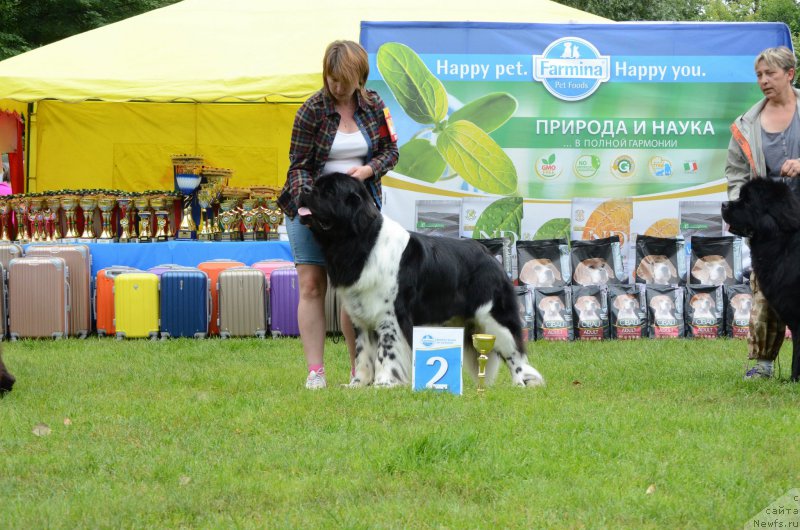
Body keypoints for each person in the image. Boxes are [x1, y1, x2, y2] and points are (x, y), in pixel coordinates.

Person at [277, 40, 399, 389]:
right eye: (332, 79)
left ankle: (359, 370)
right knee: (311, 286)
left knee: (354, 291)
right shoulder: (311, 110)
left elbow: (391, 150)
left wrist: (369, 170)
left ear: (360, 77)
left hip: (358, 214)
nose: (337, 86)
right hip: (311, 208)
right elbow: (298, 166)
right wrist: (311, 204)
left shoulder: (375, 106)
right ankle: (315, 372)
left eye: (344, 80)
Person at [725, 46, 800, 379]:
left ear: (790, 74)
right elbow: (736, 175)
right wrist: (743, 215)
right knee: (767, 290)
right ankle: (763, 363)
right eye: (759, 75)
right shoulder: (747, 124)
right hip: (771, 226)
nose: (764, 80)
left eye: (770, 73)